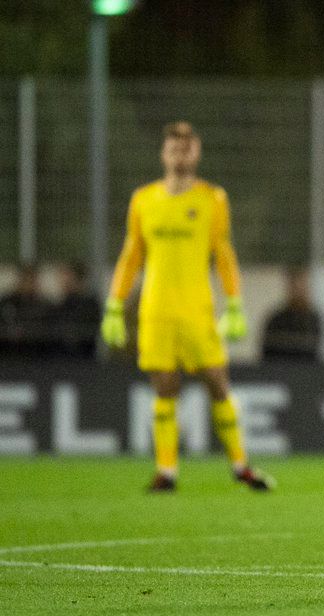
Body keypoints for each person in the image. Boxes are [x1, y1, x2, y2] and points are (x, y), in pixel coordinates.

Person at [101, 121, 274, 493]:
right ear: (164, 154)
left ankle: (241, 465)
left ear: (196, 153)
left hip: (197, 309)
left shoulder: (212, 198)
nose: (181, 154)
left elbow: (223, 253)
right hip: (156, 310)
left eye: (188, 147)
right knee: (164, 387)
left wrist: (233, 303)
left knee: (217, 382)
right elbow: (132, 254)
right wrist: (115, 304)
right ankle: (167, 471)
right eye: (174, 148)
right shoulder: (143, 199)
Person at [261, 267, 322, 362]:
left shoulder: (313, 320)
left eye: (301, 284)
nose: (297, 290)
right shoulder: (276, 320)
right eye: (294, 285)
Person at [0, 262, 54, 357]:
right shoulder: (8, 303)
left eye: (32, 279)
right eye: (26, 279)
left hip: (36, 354)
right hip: (9, 353)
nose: (29, 284)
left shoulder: (45, 306)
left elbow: (46, 331)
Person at [52, 261, 102, 359]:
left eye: (66, 276)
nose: (62, 281)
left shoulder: (89, 305)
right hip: (59, 361)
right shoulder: (60, 304)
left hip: (81, 361)